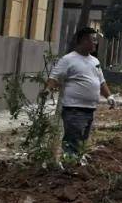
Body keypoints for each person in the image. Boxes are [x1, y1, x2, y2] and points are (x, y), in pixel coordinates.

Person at [48, 27, 112, 161]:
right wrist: (47, 90)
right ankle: (70, 164)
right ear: (83, 40)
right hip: (74, 108)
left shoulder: (95, 61)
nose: (95, 43)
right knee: (73, 140)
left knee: (82, 140)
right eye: (93, 40)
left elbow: (101, 81)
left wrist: (109, 96)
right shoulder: (68, 59)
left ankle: (76, 162)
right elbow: (53, 77)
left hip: (90, 109)